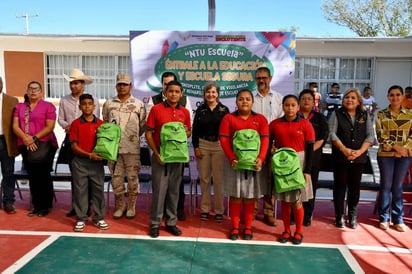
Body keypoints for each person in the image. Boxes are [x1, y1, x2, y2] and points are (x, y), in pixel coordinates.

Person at [219, 89, 269, 241]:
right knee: (235, 196)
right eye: (241, 99)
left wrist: (261, 158)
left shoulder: (260, 119)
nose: (244, 101)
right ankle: (234, 227)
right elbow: (224, 139)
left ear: (252, 102)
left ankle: (248, 227)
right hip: (234, 163)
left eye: (248, 99)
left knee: (249, 197)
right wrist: (231, 157)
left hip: (253, 165)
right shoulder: (228, 118)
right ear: (236, 102)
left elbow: (265, 140)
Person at [145, 80, 191, 238]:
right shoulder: (156, 109)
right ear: (165, 93)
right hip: (161, 157)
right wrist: (157, 154)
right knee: (159, 191)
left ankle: (171, 222)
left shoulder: (184, 112)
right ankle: (155, 223)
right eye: (170, 91)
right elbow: (148, 133)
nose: (173, 94)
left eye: (177, 91)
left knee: (173, 191)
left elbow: (188, 133)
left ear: (181, 94)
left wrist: (186, 132)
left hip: (177, 158)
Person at [269, 95, 315, 245]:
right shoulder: (275, 124)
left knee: (297, 201)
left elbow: (310, 150)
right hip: (282, 164)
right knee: (284, 201)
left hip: (299, 163)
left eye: (293, 105)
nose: (290, 108)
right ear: (282, 106)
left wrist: (307, 171)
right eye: (287, 105)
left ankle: (299, 231)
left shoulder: (306, 125)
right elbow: (269, 145)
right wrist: (272, 150)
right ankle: (286, 230)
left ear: (298, 107)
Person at [328, 88, 375, 229]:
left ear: (358, 101)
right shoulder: (337, 114)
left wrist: (360, 151)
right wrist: (344, 149)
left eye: (353, 98)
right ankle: (339, 216)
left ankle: (352, 216)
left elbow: (370, 136)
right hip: (340, 158)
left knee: (354, 188)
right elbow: (331, 134)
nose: (349, 100)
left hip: (358, 158)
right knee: (340, 187)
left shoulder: (364, 114)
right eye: (347, 97)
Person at [102, 74, 146, 219]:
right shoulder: (109, 104)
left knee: (133, 178)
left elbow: (142, 126)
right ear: (116, 86)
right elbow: (106, 122)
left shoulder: (138, 104)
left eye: (125, 84)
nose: (122, 87)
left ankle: (132, 206)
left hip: (132, 149)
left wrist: (131, 137)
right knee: (116, 178)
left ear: (130, 86)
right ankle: (120, 205)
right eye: (120, 84)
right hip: (113, 149)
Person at [12, 81, 58, 217]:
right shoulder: (20, 107)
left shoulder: (48, 106)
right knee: (32, 176)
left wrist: (34, 138)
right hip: (25, 145)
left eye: (36, 89)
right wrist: (26, 139)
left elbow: (50, 127)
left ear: (41, 92)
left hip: (44, 144)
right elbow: (15, 126)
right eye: (30, 89)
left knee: (43, 175)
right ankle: (37, 205)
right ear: (27, 91)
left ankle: (46, 205)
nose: (33, 91)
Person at [59, 68, 100, 217]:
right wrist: (69, 126)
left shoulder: (93, 100)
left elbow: (96, 120)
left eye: (76, 83)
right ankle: (76, 207)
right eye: (71, 83)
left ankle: (88, 206)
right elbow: (61, 119)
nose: (73, 86)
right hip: (72, 140)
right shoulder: (64, 100)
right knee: (76, 177)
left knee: (91, 177)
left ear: (83, 84)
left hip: (89, 141)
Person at [69, 93, 109, 232]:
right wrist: (89, 155)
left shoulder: (102, 125)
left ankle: (99, 218)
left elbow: (106, 144)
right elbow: (73, 146)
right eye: (84, 104)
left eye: (89, 104)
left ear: (94, 106)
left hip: (97, 164)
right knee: (80, 191)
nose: (87, 106)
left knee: (98, 191)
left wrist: (105, 154)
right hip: (80, 163)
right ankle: (81, 218)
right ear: (80, 107)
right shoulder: (75, 124)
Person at [375, 85, 412, 232]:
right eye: (392, 95)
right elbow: (380, 135)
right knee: (386, 186)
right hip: (386, 156)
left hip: (405, 155)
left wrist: (403, 150)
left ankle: (398, 219)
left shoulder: (410, 114)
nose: (395, 97)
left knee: (397, 187)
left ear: (403, 96)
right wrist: (397, 148)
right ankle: (383, 217)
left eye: (398, 94)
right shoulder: (381, 114)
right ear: (388, 96)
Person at [192, 82, 229, 222]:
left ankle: (219, 210)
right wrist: (196, 147)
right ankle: (205, 209)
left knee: (219, 180)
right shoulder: (200, 110)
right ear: (204, 94)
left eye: (213, 92)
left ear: (218, 94)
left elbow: (227, 132)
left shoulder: (224, 110)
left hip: (219, 146)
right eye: (208, 92)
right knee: (205, 179)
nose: (210, 95)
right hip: (203, 146)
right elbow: (195, 130)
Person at [251, 66, 283, 226]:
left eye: (264, 77)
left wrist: (275, 144)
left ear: (270, 78)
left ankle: (269, 212)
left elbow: (282, 125)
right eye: (258, 78)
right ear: (255, 80)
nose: (261, 80)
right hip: (252, 146)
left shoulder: (278, 98)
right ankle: (253, 211)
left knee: (270, 180)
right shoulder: (250, 99)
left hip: (273, 146)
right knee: (254, 178)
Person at [298, 89, 329, 226]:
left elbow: (323, 137)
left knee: (310, 188)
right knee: (295, 187)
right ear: (299, 101)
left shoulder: (319, 118)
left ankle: (307, 215)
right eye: (303, 98)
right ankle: (295, 214)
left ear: (313, 101)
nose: (306, 101)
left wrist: (308, 152)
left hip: (313, 159)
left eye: (309, 99)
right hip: (295, 159)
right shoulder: (293, 117)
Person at [0, 76, 19, 214]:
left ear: (2, 84)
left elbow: (16, 124)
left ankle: (8, 202)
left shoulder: (12, 101)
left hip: (5, 141)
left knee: (8, 173)